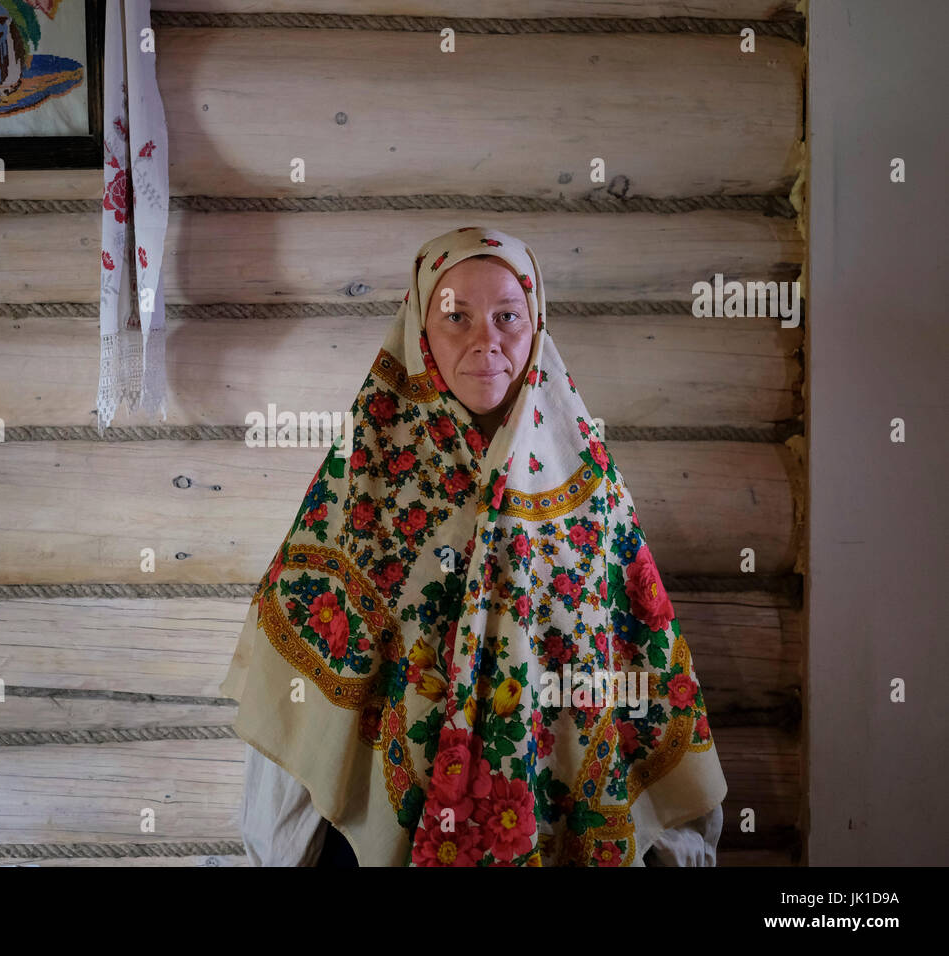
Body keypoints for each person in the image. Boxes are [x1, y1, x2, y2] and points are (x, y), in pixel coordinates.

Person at [220, 227, 728, 866]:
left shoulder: (588, 490)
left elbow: (639, 655)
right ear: (419, 329)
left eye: (507, 317)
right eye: (456, 317)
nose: (485, 339)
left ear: (536, 325)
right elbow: (305, 693)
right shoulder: (365, 484)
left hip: (557, 823)